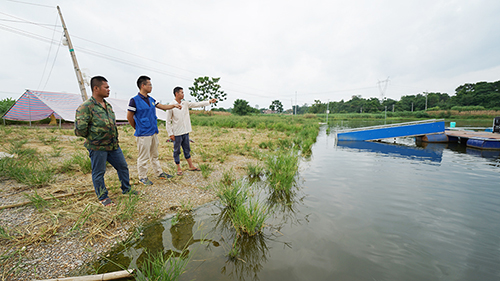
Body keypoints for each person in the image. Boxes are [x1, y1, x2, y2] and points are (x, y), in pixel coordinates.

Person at [75, 76, 136, 207]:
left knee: (123, 167)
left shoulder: (107, 105)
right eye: (106, 87)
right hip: (97, 148)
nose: (109, 90)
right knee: (99, 173)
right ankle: (103, 197)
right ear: (96, 88)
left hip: (113, 146)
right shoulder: (86, 107)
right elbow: (80, 130)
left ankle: (127, 189)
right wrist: (94, 138)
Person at [127, 75, 181, 185]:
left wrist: (174, 106)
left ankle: (159, 172)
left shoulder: (151, 99)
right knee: (143, 156)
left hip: (153, 131)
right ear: (143, 85)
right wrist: (137, 127)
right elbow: (129, 117)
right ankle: (142, 177)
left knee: (154, 154)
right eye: (149, 85)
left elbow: (162, 107)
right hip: (143, 133)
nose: (151, 87)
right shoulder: (134, 100)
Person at [166, 86, 216, 176]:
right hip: (177, 133)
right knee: (176, 150)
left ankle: (191, 166)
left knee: (187, 149)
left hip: (185, 131)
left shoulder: (185, 103)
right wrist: (170, 134)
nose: (183, 94)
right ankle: (178, 168)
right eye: (181, 92)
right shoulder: (171, 105)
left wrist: (208, 102)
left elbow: (197, 104)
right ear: (176, 94)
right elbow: (168, 121)